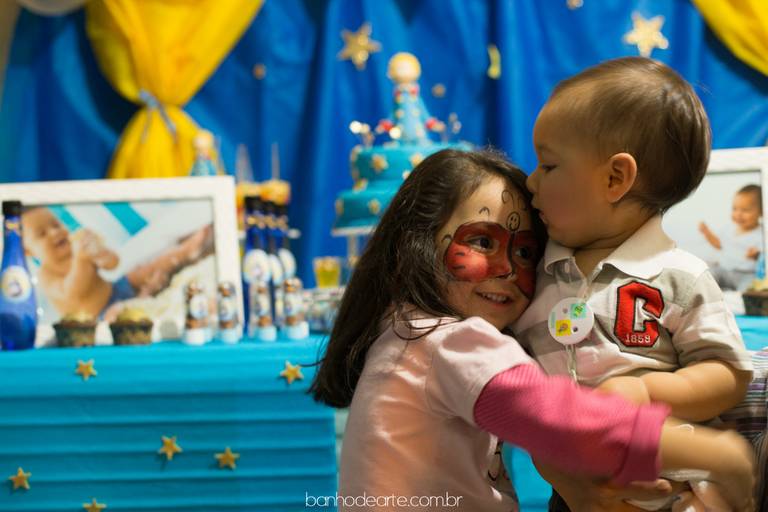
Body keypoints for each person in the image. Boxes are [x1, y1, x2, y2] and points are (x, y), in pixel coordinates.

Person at [310, 148, 755, 512]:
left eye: (525, 253)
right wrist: (719, 455)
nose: (507, 268)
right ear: (417, 241)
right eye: (483, 242)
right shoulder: (450, 343)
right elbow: (559, 419)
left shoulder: (402, 327)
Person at [515, 56, 755, 511]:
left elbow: (727, 373)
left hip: (682, 488)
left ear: (614, 178)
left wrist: (649, 391)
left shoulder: (680, 274)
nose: (530, 180)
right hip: (575, 489)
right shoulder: (534, 270)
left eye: (548, 166)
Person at [21, 206, 213, 319]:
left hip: (116, 288)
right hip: (100, 315)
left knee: (146, 270)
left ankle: (185, 251)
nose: (54, 233)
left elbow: (113, 263)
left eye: (56, 225)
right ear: (28, 251)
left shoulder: (76, 247)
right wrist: (81, 259)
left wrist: (100, 253)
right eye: (41, 234)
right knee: (126, 313)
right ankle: (147, 295)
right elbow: (72, 293)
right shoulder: (46, 274)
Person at [699, 184, 763, 291]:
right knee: (710, 273)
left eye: (745, 210)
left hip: (747, 275)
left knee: (750, 289)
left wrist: (757, 255)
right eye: (735, 209)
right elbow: (718, 244)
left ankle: (742, 299)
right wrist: (707, 233)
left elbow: (763, 258)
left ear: (761, 211)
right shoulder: (729, 228)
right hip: (725, 270)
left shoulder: (760, 233)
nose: (738, 214)